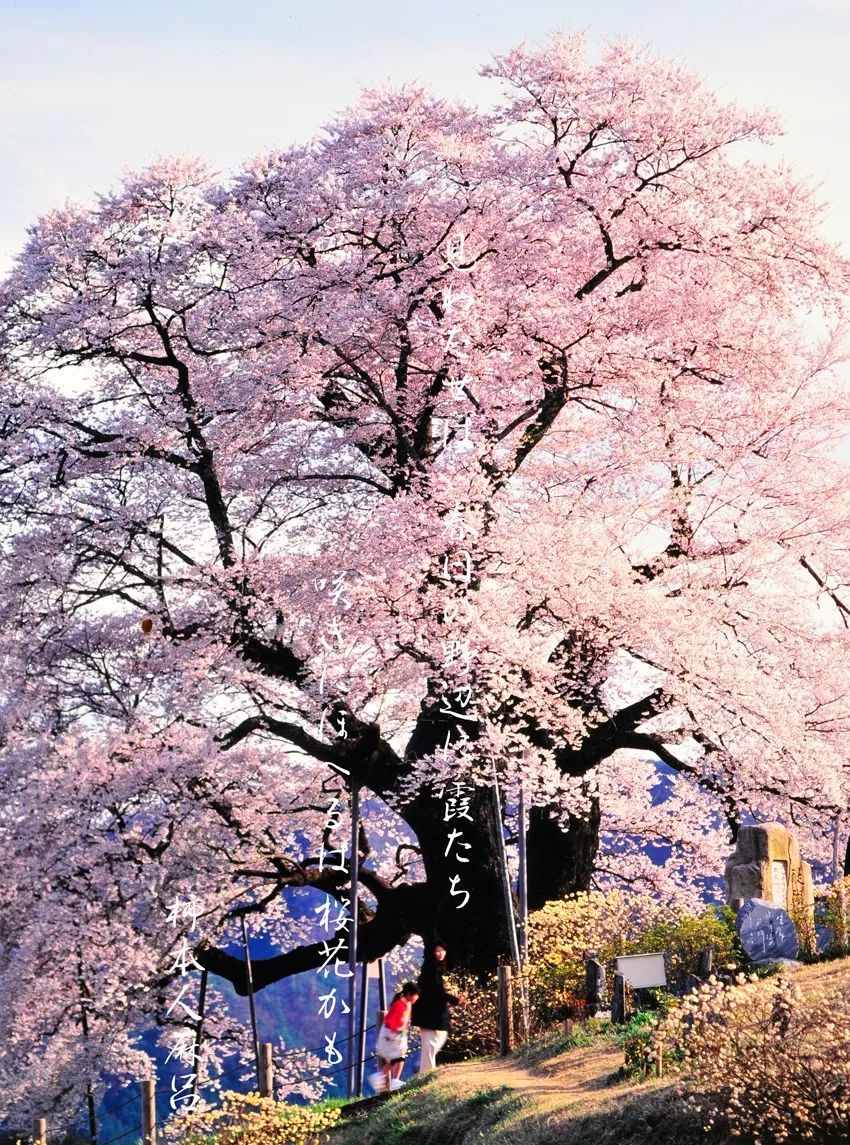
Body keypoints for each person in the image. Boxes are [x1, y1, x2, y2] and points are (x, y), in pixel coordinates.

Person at [411, 942, 465, 1073]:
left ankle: (424, 1067)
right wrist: (455, 1000)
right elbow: (436, 991)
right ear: (432, 953)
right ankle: (426, 1071)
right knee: (429, 1042)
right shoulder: (430, 969)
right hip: (427, 1010)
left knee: (437, 1038)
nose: (440, 953)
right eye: (437, 951)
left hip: (435, 1010)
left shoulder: (440, 968)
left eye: (442, 950)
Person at [369, 981, 419, 1093]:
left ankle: (385, 1078)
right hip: (391, 1035)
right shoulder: (399, 1005)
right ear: (409, 994)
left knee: (398, 1057)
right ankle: (390, 1079)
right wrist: (395, 1032)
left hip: (396, 1034)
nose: (417, 997)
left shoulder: (407, 1004)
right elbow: (390, 1021)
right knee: (399, 1057)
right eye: (416, 994)